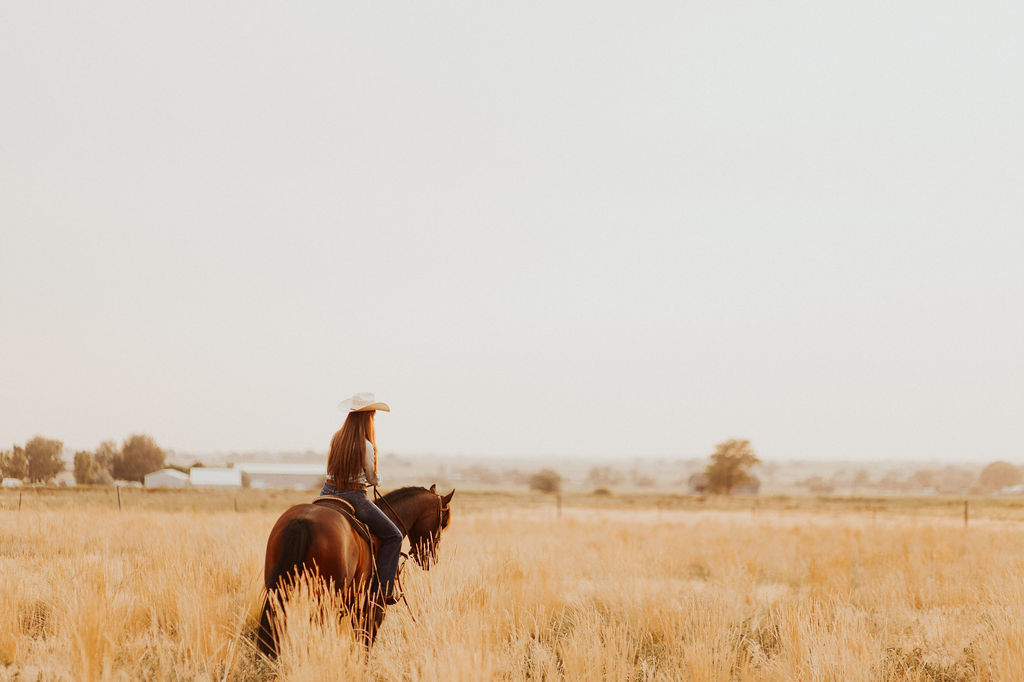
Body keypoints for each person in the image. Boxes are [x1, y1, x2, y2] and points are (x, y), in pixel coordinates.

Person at [320, 392, 403, 604]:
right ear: (368, 418)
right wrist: (378, 480)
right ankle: (383, 589)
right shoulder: (366, 445)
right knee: (394, 536)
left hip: (327, 493)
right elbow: (373, 478)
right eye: (373, 416)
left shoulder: (336, 438)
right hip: (354, 497)